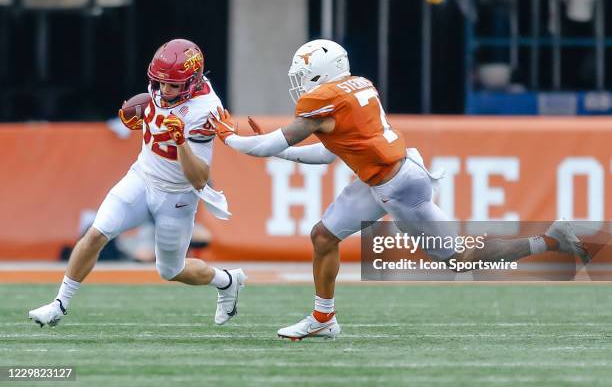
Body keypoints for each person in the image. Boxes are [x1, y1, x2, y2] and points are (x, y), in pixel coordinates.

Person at [211, 39, 589, 341]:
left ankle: (549, 240)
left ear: (323, 73)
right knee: (323, 236)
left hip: (398, 186)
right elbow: (326, 155)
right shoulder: (355, 88)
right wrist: (275, 149)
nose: (299, 82)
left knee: (460, 259)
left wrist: (230, 138)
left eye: (305, 73)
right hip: (378, 176)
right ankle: (323, 317)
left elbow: (266, 146)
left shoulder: (325, 100)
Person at [29, 39, 246, 328]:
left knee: (171, 270)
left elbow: (199, 177)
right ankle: (59, 304)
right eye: (159, 83)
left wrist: (180, 141)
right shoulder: (159, 89)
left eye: (173, 86)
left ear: (192, 82)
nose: (164, 91)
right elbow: (154, 113)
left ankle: (227, 281)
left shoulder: (206, 110)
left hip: (176, 195)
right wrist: (143, 120)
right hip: (141, 178)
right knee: (95, 234)